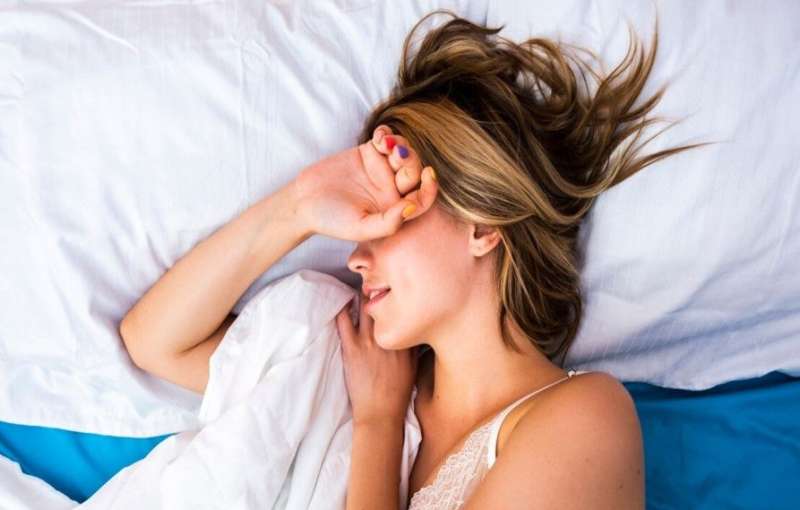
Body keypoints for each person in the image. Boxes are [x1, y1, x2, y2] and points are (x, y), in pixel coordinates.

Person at [120, 10, 703, 510]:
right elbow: (155, 341)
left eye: (388, 215)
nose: (355, 256)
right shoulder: (351, 366)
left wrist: (378, 425)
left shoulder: (585, 418)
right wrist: (298, 207)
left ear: (482, 225)